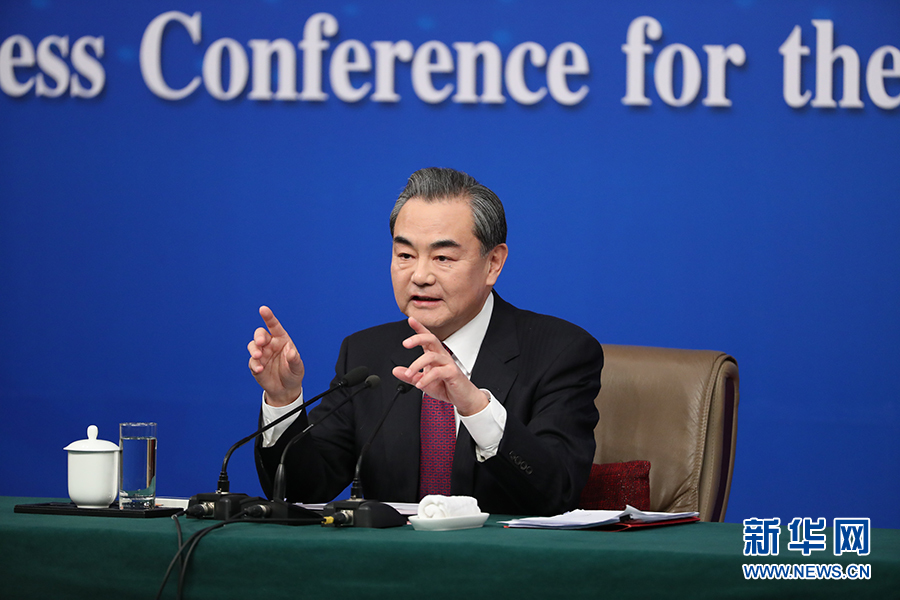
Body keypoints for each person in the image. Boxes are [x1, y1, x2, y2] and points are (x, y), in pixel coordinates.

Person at [250, 167, 602, 516]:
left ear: (493, 263)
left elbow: (557, 494)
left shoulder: (560, 352)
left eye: (443, 257)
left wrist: (475, 407)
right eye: (405, 255)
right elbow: (302, 491)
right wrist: (284, 402)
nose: (419, 276)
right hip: (387, 567)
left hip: (504, 566)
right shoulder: (366, 354)